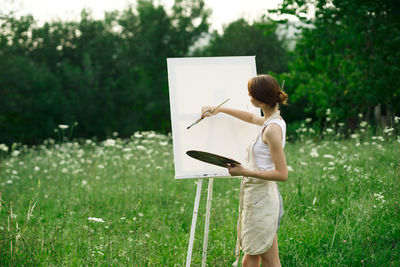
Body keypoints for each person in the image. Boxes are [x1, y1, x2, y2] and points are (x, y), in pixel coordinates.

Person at [201, 74, 288, 267]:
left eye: (250, 94)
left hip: (262, 200)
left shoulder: (272, 129)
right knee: (251, 257)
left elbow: (282, 174)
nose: (248, 97)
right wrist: (219, 109)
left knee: (270, 262)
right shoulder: (271, 120)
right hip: (258, 197)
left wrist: (244, 171)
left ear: (258, 99)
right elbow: (250, 117)